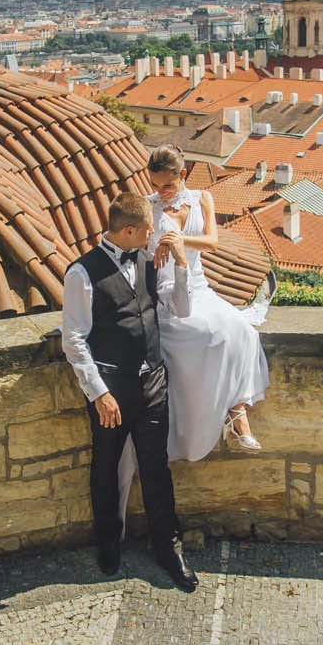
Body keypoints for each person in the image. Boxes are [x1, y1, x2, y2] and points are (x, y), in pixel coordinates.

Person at [61, 192, 199, 591]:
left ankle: (168, 546)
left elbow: (181, 309)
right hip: (112, 389)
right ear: (128, 230)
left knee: (157, 466)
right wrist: (98, 392)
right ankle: (108, 542)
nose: (154, 232)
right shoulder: (81, 274)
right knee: (105, 466)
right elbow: (74, 339)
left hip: (153, 380)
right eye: (147, 228)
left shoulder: (149, 259)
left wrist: (182, 265)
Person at [145, 144, 272, 458]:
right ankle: (229, 417)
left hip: (199, 286)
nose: (161, 192)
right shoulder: (148, 207)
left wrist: (176, 239)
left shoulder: (203, 198)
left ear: (183, 175)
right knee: (209, 335)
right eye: (155, 185)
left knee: (242, 331)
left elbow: (211, 242)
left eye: (168, 185)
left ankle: (236, 411)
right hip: (168, 292)